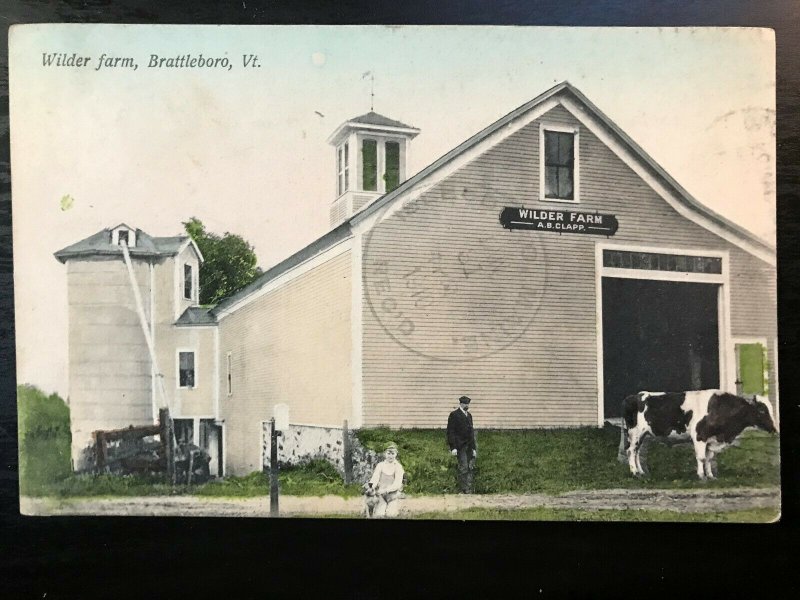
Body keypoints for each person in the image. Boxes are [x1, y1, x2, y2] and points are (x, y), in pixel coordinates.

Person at [447, 395, 477, 493]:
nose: (467, 405)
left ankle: (468, 488)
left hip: (469, 446)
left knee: (469, 467)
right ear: (460, 404)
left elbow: (471, 433)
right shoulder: (454, 415)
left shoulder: (469, 416)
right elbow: (450, 432)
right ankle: (463, 489)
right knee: (463, 467)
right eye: (465, 403)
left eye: (468, 403)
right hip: (460, 446)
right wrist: (453, 447)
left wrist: (473, 448)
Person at [367, 442, 405, 518]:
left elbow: (397, 484)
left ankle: (393, 508)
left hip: (392, 496)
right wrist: (371, 487)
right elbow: (375, 478)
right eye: (388, 453)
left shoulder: (398, 467)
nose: (390, 456)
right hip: (381, 496)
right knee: (379, 515)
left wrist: (386, 490)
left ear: (396, 454)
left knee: (391, 515)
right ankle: (375, 509)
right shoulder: (380, 465)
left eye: (392, 453)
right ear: (385, 453)